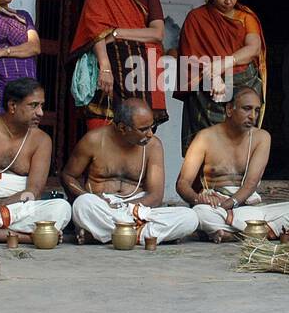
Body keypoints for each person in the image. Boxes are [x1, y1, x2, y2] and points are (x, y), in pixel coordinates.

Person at [176, 87, 289, 241]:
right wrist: (200, 199)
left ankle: (233, 234)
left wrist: (230, 204)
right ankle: (262, 231)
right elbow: (182, 183)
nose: (253, 116)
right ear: (229, 109)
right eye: (247, 109)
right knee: (198, 214)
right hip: (215, 209)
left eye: (257, 110)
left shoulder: (262, 137)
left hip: (248, 207)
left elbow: (250, 184)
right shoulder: (205, 137)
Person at [61, 97, 198, 245]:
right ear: (122, 128)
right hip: (102, 208)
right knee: (82, 204)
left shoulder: (153, 146)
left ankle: (106, 235)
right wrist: (87, 196)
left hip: (135, 209)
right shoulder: (94, 140)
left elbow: (156, 196)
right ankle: (140, 234)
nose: (150, 134)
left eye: (152, 127)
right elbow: (68, 176)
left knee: (190, 217)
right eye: (143, 129)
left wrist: (125, 208)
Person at [70, 0, 168, 130]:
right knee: (103, 127)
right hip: (110, 65)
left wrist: (115, 33)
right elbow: (96, 27)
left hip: (142, 69)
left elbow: (157, 33)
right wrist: (104, 67)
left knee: (139, 129)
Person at [177, 0, 264, 153]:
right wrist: (213, 76)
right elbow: (192, 58)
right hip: (207, 90)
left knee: (242, 141)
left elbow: (253, 48)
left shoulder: (245, 18)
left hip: (243, 81)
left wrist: (222, 64)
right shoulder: (197, 18)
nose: (229, 1)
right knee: (208, 145)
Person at [0, 78, 72, 245]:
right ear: (12, 106)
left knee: (61, 208)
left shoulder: (41, 140)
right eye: (33, 105)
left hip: (18, 206)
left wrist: (1, 207)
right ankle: (27, 236)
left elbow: (35, 191)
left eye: (41, 105)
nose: (40, 112)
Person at [0, 0, 40, 115]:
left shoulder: (23, 16)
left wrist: (2, 52)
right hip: (1, 80)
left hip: (26, 78)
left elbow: (34, 47)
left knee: (27, 122)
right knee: (2, 122)